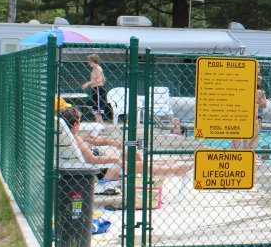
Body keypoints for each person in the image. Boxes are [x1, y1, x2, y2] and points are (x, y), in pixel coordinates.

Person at [59, 106, 192, 184]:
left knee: (135, 153)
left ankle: (159, 171)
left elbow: (91, 142)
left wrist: (109, 143)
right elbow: (92, 159)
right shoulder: (75, 139)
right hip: (103, 170)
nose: (80, 124)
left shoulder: (71, 137)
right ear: (75, 124)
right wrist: (116, 160)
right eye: (79, 121)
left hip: (103, 163)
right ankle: (174, 170)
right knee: (139, 165)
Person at [81, 54, 108, 124]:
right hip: (96, 89)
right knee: (96, 110)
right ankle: (100, 127)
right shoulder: (95, 68)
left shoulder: (97, 68)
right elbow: (104, 79)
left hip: (98, 89)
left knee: (97, 110)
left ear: (92, 61)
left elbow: (100, 79)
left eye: (89, 61)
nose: (88, 63)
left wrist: (88, 83)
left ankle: (100, 127)